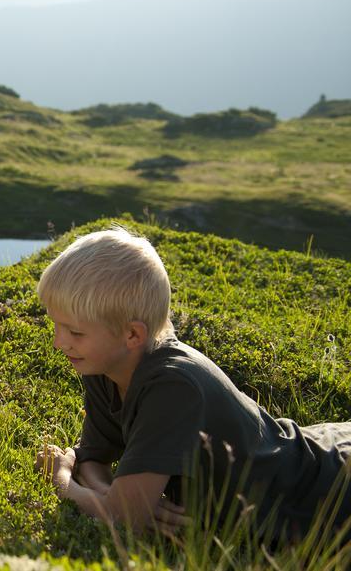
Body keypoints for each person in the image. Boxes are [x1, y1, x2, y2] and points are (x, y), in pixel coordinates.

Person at [33, 227, 351, 540]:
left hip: (324, 491)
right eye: (56, 325)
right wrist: (110, 495)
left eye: (75, 332)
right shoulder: (105, 366)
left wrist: (63, 481)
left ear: (132, 335)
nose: (59, 342)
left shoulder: (172, 387)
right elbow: (92, 457)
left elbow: (123, 518)